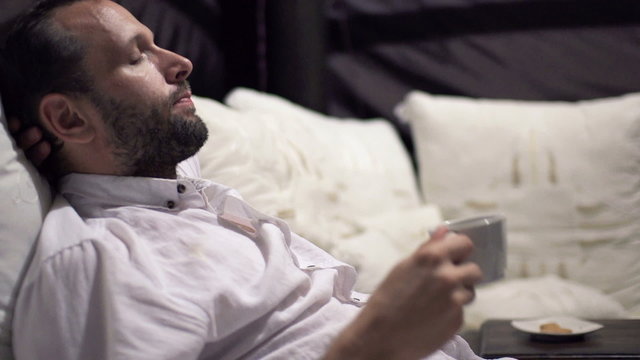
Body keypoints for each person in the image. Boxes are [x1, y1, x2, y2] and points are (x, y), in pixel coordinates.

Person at [1, 0, 490, 359]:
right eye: (137, 57)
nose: (180, 62)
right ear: (68, 119)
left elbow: (126, 134)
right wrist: (375, 343)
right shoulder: (100, 260)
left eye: (156, 44)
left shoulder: (161, 183)